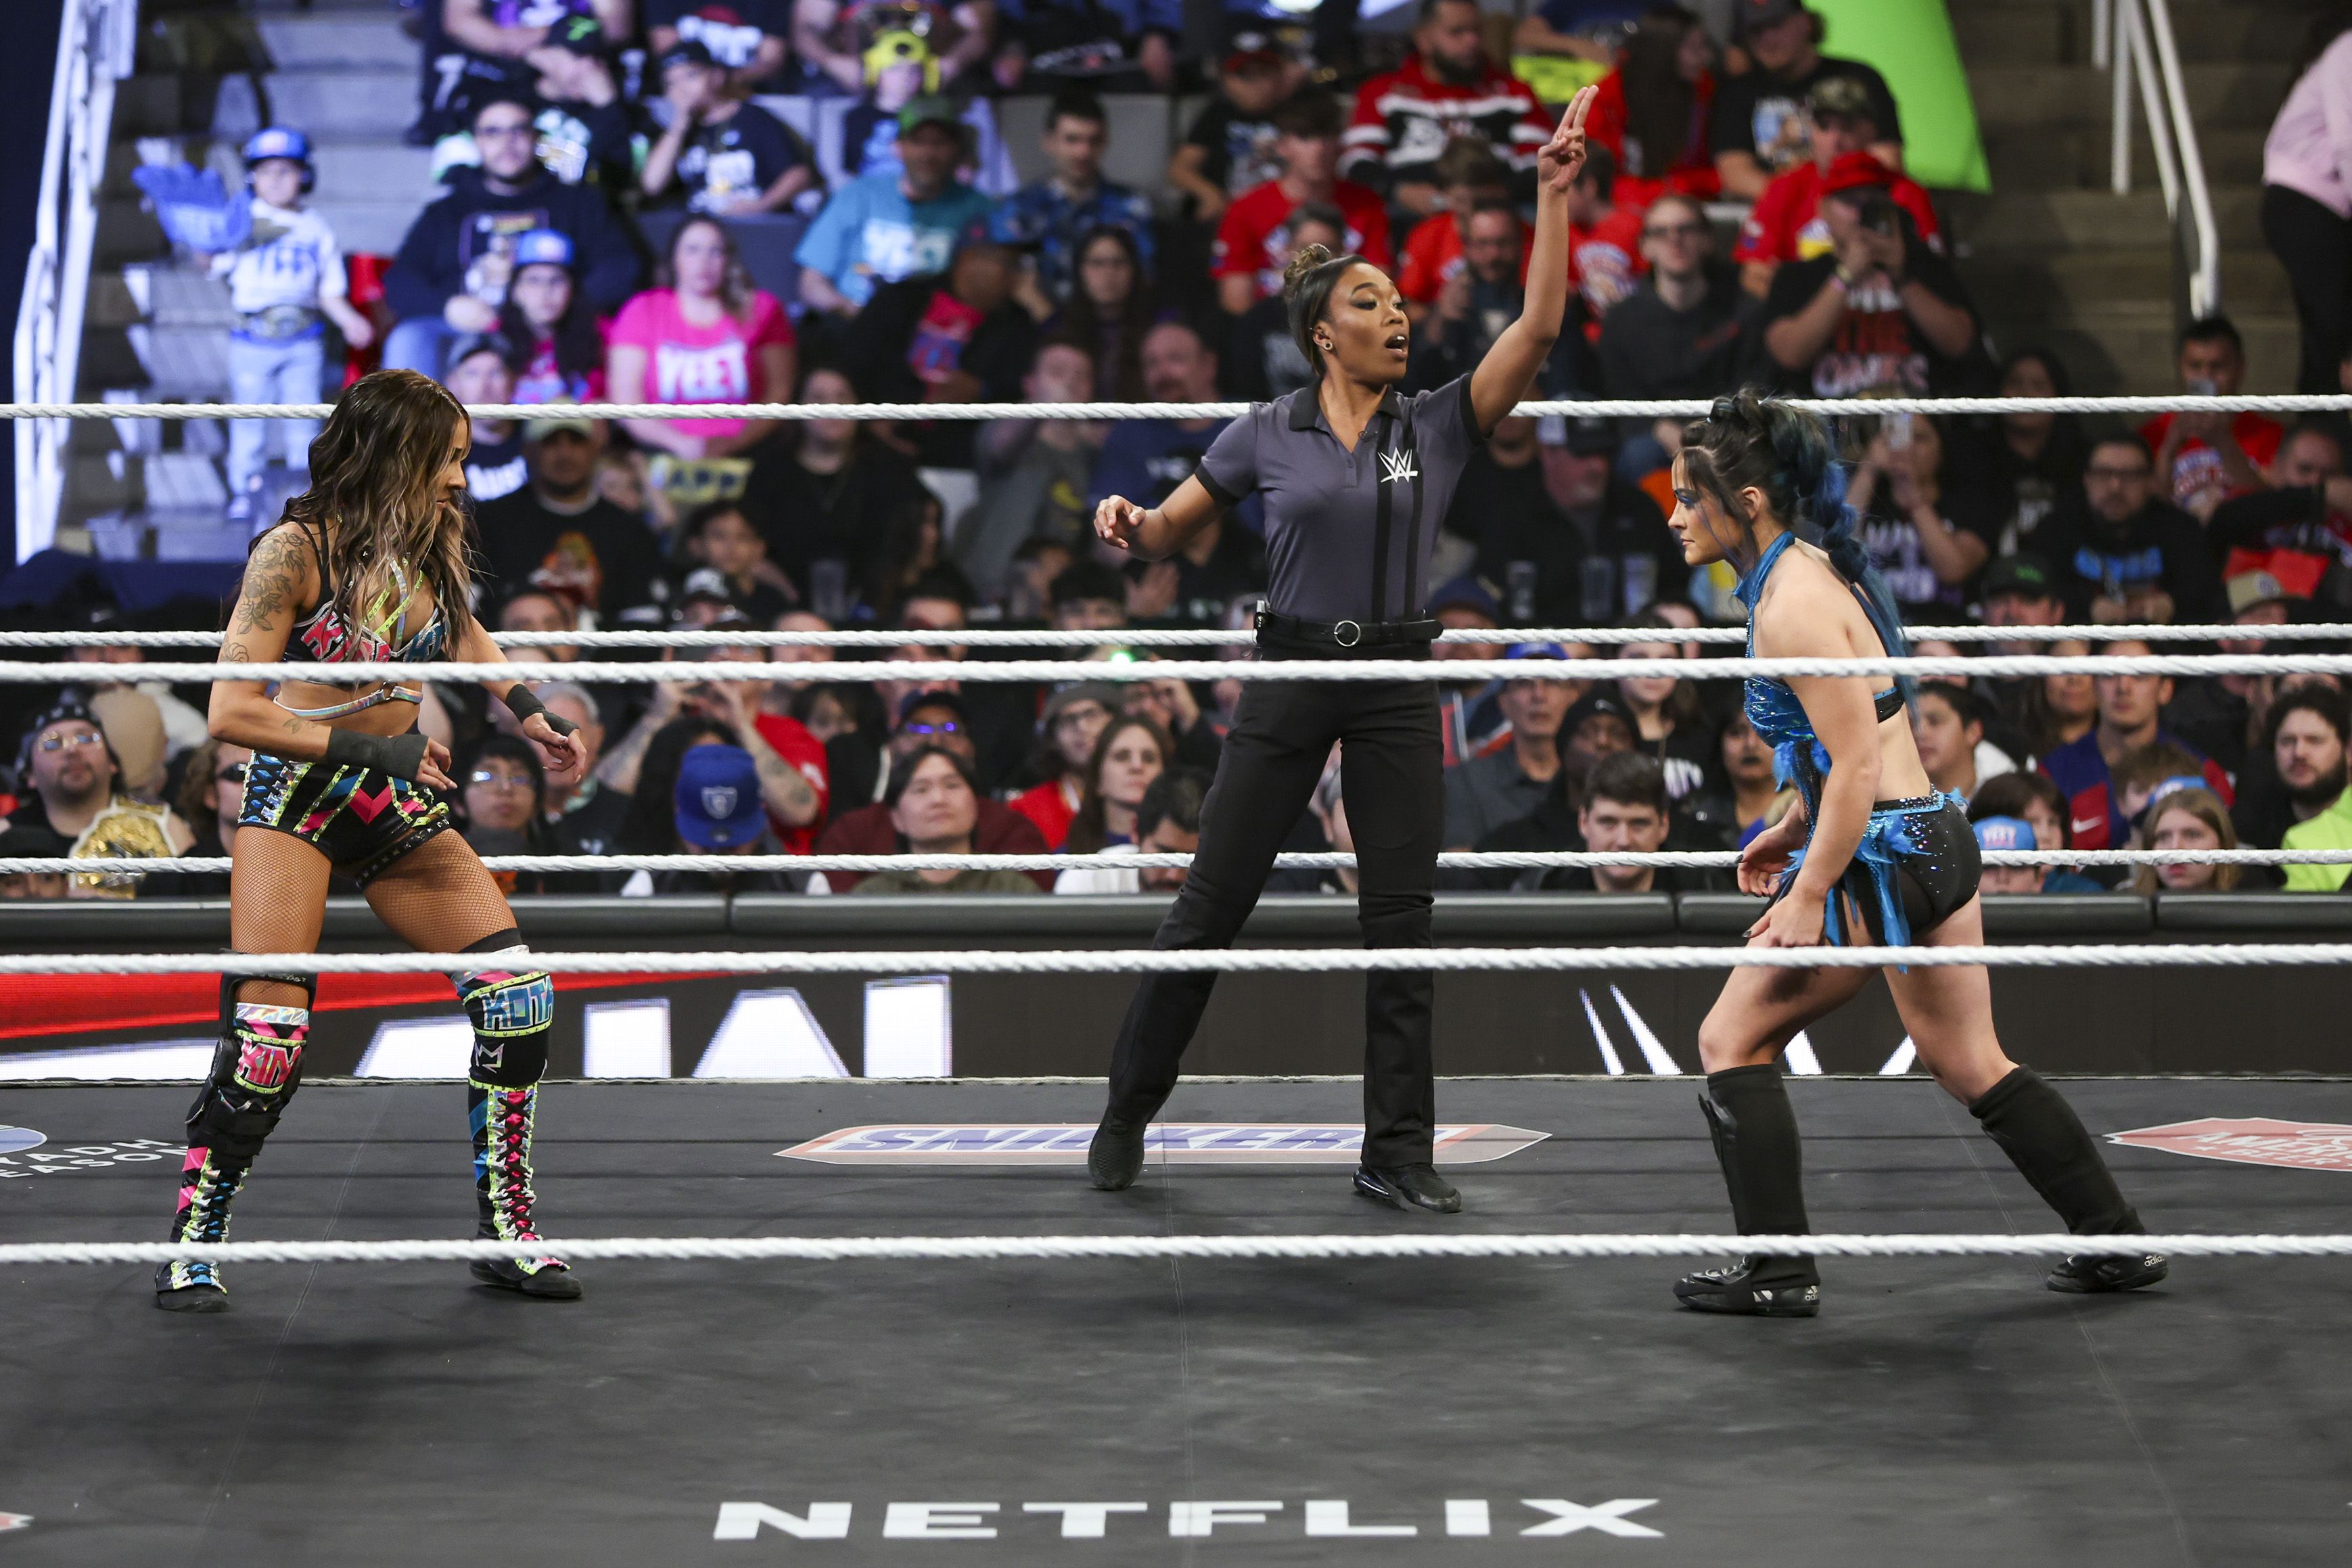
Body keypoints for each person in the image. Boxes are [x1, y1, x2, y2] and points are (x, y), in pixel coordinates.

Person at [1080, 88, 1600, 1218]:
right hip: (1290, 671)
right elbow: (1168, 529)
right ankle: (1124, 1111)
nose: (1397, 315)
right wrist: (1128, 524)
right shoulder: (1263, 431)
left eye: (1401, 302)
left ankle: (1394, 1151)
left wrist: (1551, 197)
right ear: (1325, 332)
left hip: (1399, 679)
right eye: (1371, 303)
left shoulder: (1438, 422)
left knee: (1400, 924)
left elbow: (1537, 330)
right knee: (1210, 906)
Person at [1659, 388, 2165, 1316]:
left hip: (1884, 856)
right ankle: (2116, 1241)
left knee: (1730, 1037)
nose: (1674, 514)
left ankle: (1778, 1272)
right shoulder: (1802, 571)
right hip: (1931, 832)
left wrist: (1809, 888)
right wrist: (1793, 824)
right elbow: (1859, 740)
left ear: (1748, 502)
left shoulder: (1793, 602)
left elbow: (1856, 764)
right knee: (1969, 1057)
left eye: (1689, 497)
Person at [156, 369, 591, 1312]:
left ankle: (507, 1230)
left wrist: (529, 708)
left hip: (392, 797)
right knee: (269, 1044)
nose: (460, 479)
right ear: (395, 454)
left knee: (518, 997)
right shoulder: (293, 552)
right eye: (447, 459)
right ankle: (194, 1239)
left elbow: (463, 632)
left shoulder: (427, 539)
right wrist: (380, 749)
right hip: (301, 799)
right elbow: (231, 712)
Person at [382, 92, 641, 377]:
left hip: (553, 330)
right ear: (477, 141)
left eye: (518, 130)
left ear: (536, 138)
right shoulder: (446, 212)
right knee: (409, 338)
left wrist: (562, 305)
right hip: (469, 329)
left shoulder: (577, 203)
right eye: (493, 132)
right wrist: (448, 307)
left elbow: (620, 267)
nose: (507, 143)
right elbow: (400, 280)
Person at [206, 127, 375, 523]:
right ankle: (244, 489)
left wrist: (349, 319)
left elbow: (327, 290)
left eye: (286, 170)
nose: (276, 179)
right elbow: (213, 263)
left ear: (305, 175)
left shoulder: (315, 227)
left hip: (303, 341)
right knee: (249, 420)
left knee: (304, 421)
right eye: (266, 171)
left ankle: (307, 492)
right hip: (252, 339)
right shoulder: (242, 221)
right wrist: (201, 238)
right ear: (252, 176)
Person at [1759, 153, 1983, 398]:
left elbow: (1961, 344)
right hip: (1829, 417)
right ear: (1823, 209)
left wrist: (1902, 276)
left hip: (1914, 413)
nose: (1860, 214)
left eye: (1872, 202)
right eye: (1849, 202)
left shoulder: (1925, 267)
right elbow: (1789, 354)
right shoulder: (1798, 274)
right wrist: (1845, 275)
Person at [739, 363, 934, 609]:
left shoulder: (887, 467)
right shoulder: (770, 470)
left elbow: (924, 522)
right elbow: (742, 535)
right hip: (783, 605)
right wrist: (762, 570)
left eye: (842, 397)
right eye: (818, 398)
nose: (832, 408)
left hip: (875, 606)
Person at [608, 216, 798, 462]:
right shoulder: (643, 310)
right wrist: (679, 444)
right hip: (663, 454)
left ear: (729, 259)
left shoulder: (762, 309)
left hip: (750, 453)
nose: (703, 262)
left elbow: (779, 393)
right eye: (692, 250)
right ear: (674, 258)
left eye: (715, 251)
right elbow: (626, 400)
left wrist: (734, 444)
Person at [1341, 0, 1553, 219]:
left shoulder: (1514, 93)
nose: (1472, 41)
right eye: (1457, 32)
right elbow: (1356, 162)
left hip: (1497, 218)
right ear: (1424, 39)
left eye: (1476, 31)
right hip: (1407, 218)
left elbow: (1541, 163)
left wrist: (1491, 195)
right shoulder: (1382, 93)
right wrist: (1400, 191)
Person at [795, 95, 996, 322]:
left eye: (939, 143)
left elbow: (989, 289)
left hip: (940, 330)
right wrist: (849, 311)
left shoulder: (979, 209)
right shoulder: (857, 195)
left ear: (956, 149)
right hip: (855, 322)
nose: (928, 154)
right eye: (918, 142)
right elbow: (812, 282)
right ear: (898, 147)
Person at [1732, 76, 1938, 298]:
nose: (1835, 140)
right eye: (1823, 126)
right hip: (1807, 312)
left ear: (1871, 131)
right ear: (1810, 129)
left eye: (1847, 127)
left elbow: (1935, 277)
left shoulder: (1905, 193)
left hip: (1887, 309)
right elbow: (1753, 273)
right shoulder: (1784, 188)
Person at [473, 410, 668, 625]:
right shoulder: (486, 523)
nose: (565, 454)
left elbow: (643, 621)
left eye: (576, 441)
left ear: (594, 450)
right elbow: (464, 611)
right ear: (528, 450)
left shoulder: (629, 531)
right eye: (551, 442)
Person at [2039, 639, 2232, 853]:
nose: (2123, 688)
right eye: (2110, 674)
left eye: (2140, 675)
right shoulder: (2052, 774)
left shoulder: (2203, 774)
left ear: (2165, 689)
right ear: (2094, 685)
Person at [1214, 95, 1393, 317]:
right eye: (1304, 137)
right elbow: (1236, 301)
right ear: (1282, 146)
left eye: (1327, 136)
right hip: (1272, 325)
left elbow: (1378, 287)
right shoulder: (1245, 210)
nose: (1319, 148)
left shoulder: (1367, 204)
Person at [1709, 0, 1901, 201]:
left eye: (1776, 25)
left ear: (1806, 22)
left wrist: (1834, 200)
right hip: (1775, 210)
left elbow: (1887, 160)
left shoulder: (1859, 78)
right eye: (1755, 30)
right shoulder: (1736, 92)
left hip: (1854, 205)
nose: (1767, 38)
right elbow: (1735, 174)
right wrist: (1799, 203)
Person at [9, 699, 197, 899]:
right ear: (29, 774)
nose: (72, 750)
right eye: (53, 744)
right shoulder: (5, 834)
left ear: (112, 763)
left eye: (86, 739)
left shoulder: (166, 826)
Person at [2031, 434, 2224, 624]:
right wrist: (2088, 607)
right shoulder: (2056, 528)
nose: (2115, 487)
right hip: (2081, 637)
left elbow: (2207, 589)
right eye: (2104, 474)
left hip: (2162, 639)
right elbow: (2036, 586)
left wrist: (2172, 604)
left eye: (2130, 476)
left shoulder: (2180, 528)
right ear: (2087, 479)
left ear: (2150, 482)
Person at [989, 90, 1155, 308]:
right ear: (1049, 142)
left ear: (1105, 143)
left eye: (1093, 141)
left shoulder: (1131, 204)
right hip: (1034, 321)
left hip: (1113, 319)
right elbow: (1003, 280)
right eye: (1072, 140)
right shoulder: (1019, 207)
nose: (1083, 152)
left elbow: (1145, 275)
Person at [1597, 193, 1755, 413]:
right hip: (1650, 429)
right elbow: (1620, 400)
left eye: (1685, 229)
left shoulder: (1744, 312)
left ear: (1707, 240)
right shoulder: (1620, 321)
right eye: (1660, 232)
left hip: (1723, 427)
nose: (1674, 240)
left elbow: (1749, 393)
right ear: (1645, 247)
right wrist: (1656, 426)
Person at [2263, 16, 2352, 393]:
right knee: (2337, 329)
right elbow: (2349, 144)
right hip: (2303, 204)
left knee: (2323, 334)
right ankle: (2326, 421)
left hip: (2332, 209)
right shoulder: (2348, 52)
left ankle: (2319, 421)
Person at [639, 39, 816, 218]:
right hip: (702, 227)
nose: (681, 89)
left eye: (690, 76)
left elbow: (799, 175)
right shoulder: (676, 133)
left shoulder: (753, 118)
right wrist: (679, 126)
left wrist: (761, 206)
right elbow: (652, 185)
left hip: (754, 222)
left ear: (717, 76)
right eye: (671, 83)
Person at [1843, 413, 1998, 618]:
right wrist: (1868, 470)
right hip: (1875, 624)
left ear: (1941, 447)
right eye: (1898, 436)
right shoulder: (1867, 498)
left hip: (1947, 626)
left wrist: (1914, 498)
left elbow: (1953, 570)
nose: (1907, 447)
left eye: (1920, 438)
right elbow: (1835, 548)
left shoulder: (1968, 502)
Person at [2137, 317, 2285, 522]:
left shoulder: (2272, 436)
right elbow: (2143, 516)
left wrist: (2224, 443)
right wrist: (2169, 449)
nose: (2206, 376)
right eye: (2195, 366)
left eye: (2218, 366)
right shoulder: (2154, 434)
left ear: (2240, 368)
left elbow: (2272, 513)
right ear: (2181, 367)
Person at [845, 747, 1047, 896]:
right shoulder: (872, 896)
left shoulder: (1013, 890)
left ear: (976, 805)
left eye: (952, 785)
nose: (938, 799)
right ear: (896, 818)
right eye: (921, 789)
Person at [1579, 3, 1718, 207]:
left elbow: (1717, 172)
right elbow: (1596, 177)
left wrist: (1680, 186)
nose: (1705, 57)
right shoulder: (1607, 97)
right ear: (1662, 51)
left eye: (1705, 47)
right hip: (1621, 207)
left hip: (1687, 204)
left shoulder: (1704, 89)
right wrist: (1666, 189)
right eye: (1694, 49)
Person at [1170, 32, 1301, 229]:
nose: (1257, 84)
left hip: (1281, 213)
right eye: (1245, 75)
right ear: (1226, 80)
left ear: (1281, 75)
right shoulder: (1216, 115)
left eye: (1265, 72)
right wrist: (1211, 195)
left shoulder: (1297, 116)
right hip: (1226, 210)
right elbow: (1180, 169)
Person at [1055, 766, 1208, 894]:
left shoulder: (1219, 890)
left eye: (1191, 860)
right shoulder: (1087, 882)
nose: (1174, 876)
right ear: (1136, 832)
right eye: (1166, 855)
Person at [497, 229, 605, 405]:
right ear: (515, 291)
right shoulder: (492, 338)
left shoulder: (601, 334)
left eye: (557, 280)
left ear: (572, 290)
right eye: (534, 281)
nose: (546, 292)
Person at [1009, 681, 1120, 848]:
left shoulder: (1139, 791)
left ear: (1113, 720)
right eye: (1068, 719)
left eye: (1091, 714)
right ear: (1052, 738)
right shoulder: (1025, 810)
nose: (1082, 727)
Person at [1613, 621, 1712, 802]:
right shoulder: (1596, 735)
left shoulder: (1700, 734)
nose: (1654, 670)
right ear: (1613, 660)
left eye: (1666, 659)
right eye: (1639, 658)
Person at [1053, 225, 1152, 399]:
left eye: (1118, 263)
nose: (1108, 273)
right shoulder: (1059, 329)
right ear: (1080, 270)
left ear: (1134, 270)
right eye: (1097, 263)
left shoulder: (1158, 329)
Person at [1060, 713, 1171, 853]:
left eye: (1149, 758)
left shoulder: (1188, 854)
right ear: (1097, 778)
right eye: (1122, 757)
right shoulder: (1064, 860)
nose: (1137, 766)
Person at [648, 0, 791, 91]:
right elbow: (667, 48)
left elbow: (771, 58)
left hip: (750, 93)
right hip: (683, 93)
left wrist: (722, 82)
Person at [2132, 787, 2244, 896]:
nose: (2175, 848)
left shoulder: (2253, 901)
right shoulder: (2125, 902)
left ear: (2222, 843)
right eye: (2163, 837)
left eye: (2192, 835)